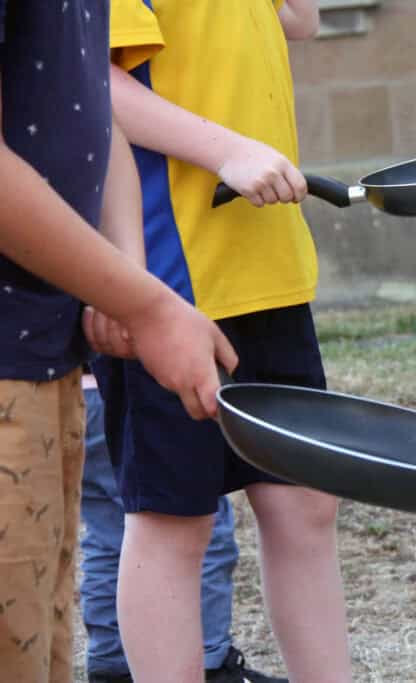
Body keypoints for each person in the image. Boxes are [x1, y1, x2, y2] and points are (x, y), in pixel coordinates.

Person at [92, 1, 353, 681]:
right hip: (172, 277)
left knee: (305, 504)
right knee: (172, 519)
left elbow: (301, 21)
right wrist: (228, 150)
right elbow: (93, 81)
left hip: (267, 263)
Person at [0, 3, 236, 681]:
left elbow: (94, 110)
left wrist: (125, 281)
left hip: (48, 353)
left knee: (37, 648)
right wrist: (153, 307)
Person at [81, 373, 284, 683]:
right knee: (193, 531)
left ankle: (112, 662)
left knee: (109, 537)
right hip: (138, 383)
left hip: (79, 395)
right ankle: (210, 661)